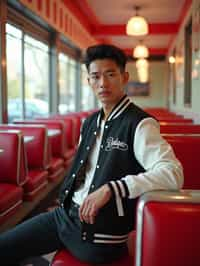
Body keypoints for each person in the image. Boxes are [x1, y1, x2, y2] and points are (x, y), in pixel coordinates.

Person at [0, 44, 183, 265]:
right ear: (88, 82)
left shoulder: (140, 124)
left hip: (99, 233)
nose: (103, 83)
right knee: (6, 245)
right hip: (65, 217)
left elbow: (173, 174)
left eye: (110, 74)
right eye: (95, 77)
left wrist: (111, 188)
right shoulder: (90, 122)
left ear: (125, 78)